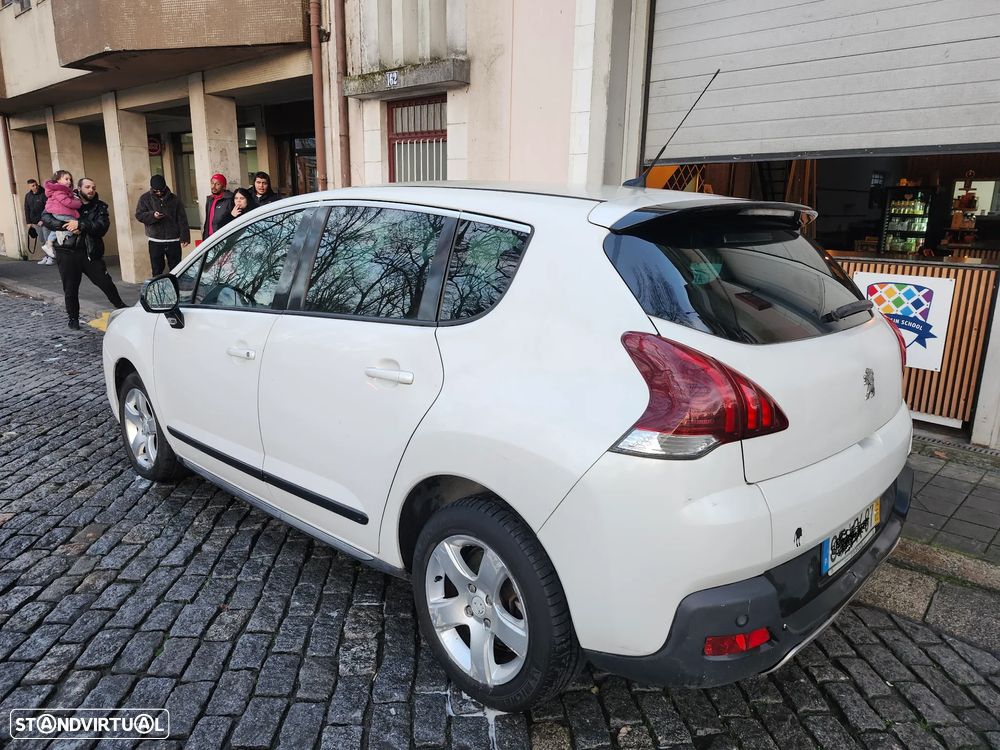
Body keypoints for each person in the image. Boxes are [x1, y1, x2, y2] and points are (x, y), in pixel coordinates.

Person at [41, 177, 127, 330]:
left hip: (90, 252)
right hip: (67, 252)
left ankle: (121, 306)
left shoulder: (100, 207)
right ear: (79, 188)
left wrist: (81, 224)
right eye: (87, 187)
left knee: (105, 282)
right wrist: (64, 226)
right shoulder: (66, 200)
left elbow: (102, 227)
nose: (91, 190)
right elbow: (46, 217)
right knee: (70, 288)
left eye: (93, 187)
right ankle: (73, 318)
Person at [135, 174, 191, 276]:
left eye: (161, 190)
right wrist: (153, 216)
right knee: (157, 270)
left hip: (173, 240)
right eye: (156, 191)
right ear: (152, 188)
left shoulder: (174, 199)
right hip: (155, 240)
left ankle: (175, 290)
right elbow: (139, 215)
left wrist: (185, 237)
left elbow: (182, 219)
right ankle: (157, 290)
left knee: (176, 270)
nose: (159, 192)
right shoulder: (145, 198)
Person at [43, 170, 82, 252]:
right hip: (60, 212)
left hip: (59, 212)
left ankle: (49, 242)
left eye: (70, 179)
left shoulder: (61, 190)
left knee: (64, 226)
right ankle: (63, 234)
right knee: (74, 223)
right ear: (58, 180)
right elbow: (67, 202)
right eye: (66, 179)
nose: (69, 181)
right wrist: (78, 203)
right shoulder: (59, 190)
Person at [24, 179, 53, 265]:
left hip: (45, 221)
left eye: (36, 185)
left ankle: (51, 257)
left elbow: (48, 208)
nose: (35, 187)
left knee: (47, 239)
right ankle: (46, 256)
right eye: (33, 185)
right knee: (42, 240)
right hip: (35, 222)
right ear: (29, 186)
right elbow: (26, 209)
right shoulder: (28, 196)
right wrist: (28, 222)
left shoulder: (44, 194)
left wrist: (42, 220)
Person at [202, 173, 234, 239]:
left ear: (224, 186)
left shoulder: (230, 199)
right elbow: (208, 221)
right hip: (209, 238)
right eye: (212, 183)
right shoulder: (210, 199)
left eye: (217, 184)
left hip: (222, 238)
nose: (213, 186)